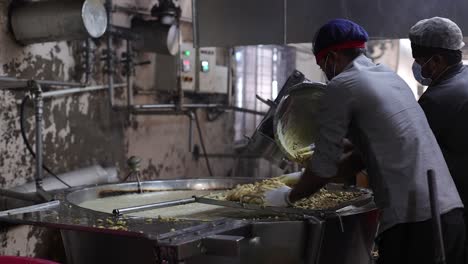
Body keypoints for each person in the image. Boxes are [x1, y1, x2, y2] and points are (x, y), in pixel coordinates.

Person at [264, 18, 465, 264]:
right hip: (449, 213)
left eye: (322, 65)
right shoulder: (388, 77)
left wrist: (288, 197)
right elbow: (361, 156)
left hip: (415, 223)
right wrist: (313, 176)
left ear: (333, 57)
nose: (325, 73)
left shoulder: (342, 85)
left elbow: (324, 166)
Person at [409, 16, 468, 233]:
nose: (418, 66)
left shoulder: (437, 99)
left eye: (419, 59)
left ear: (436, 61)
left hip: (457, 202)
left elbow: (412, 151)